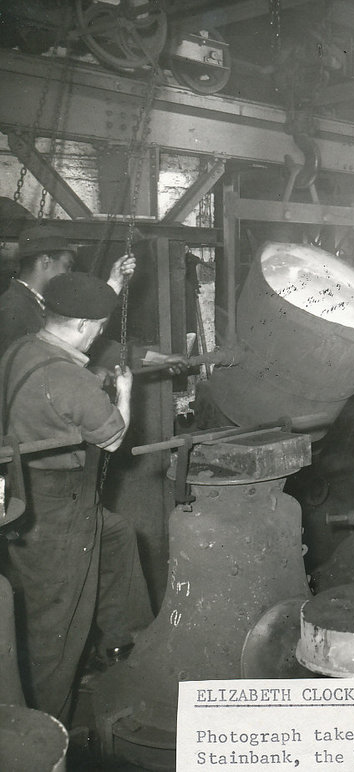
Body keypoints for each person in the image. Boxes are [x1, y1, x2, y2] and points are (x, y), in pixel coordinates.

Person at [0, 272, 152, 722]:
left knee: (120, 534)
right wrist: (124, 392)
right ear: (87, 325)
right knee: (58, 625)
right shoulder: (68, 381)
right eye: (99, 327)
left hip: (24, 492)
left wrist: (91, 378)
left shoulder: (22, 348)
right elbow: (112, 439)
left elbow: (56, 391)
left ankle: (123, 641)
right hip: (59, 505)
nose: (99, 333)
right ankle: (48, 727)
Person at [0, 224, 133, 356]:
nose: (69, 274)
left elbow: (82, 335)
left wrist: (115, 282)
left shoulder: (40, 303)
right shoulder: (12, 310)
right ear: (46, 261)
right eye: (67, 266)